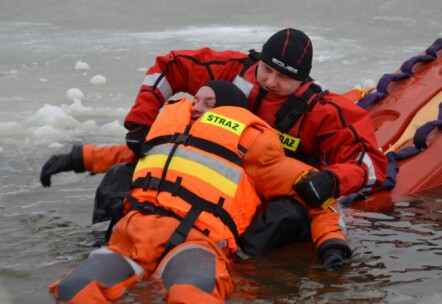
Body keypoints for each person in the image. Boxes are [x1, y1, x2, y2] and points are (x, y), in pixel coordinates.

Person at [41, 28, 386, 255]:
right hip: (201, 177)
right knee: (121, 175)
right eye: (267, 70)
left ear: (303, 79)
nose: (270, 81)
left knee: (290, 214)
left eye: (284, 77)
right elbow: (169, 67)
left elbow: (369, 163)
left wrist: (331, 180)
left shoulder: (323, 113)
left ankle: (235, 261)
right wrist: (141, 123)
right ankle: (111, 239)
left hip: (262, 188)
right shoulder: (230, 71)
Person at [49, 80, 351, 303]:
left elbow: (315, 190)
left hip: (196, 242)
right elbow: (123, 154)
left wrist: (332, 243)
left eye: (209, 103)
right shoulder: (168, 134)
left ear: (229, 114)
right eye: (196, 99)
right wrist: (76, 157)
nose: (196, 107)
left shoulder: (251, 147)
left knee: (193, 295)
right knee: (73, 290)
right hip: (130, 239)